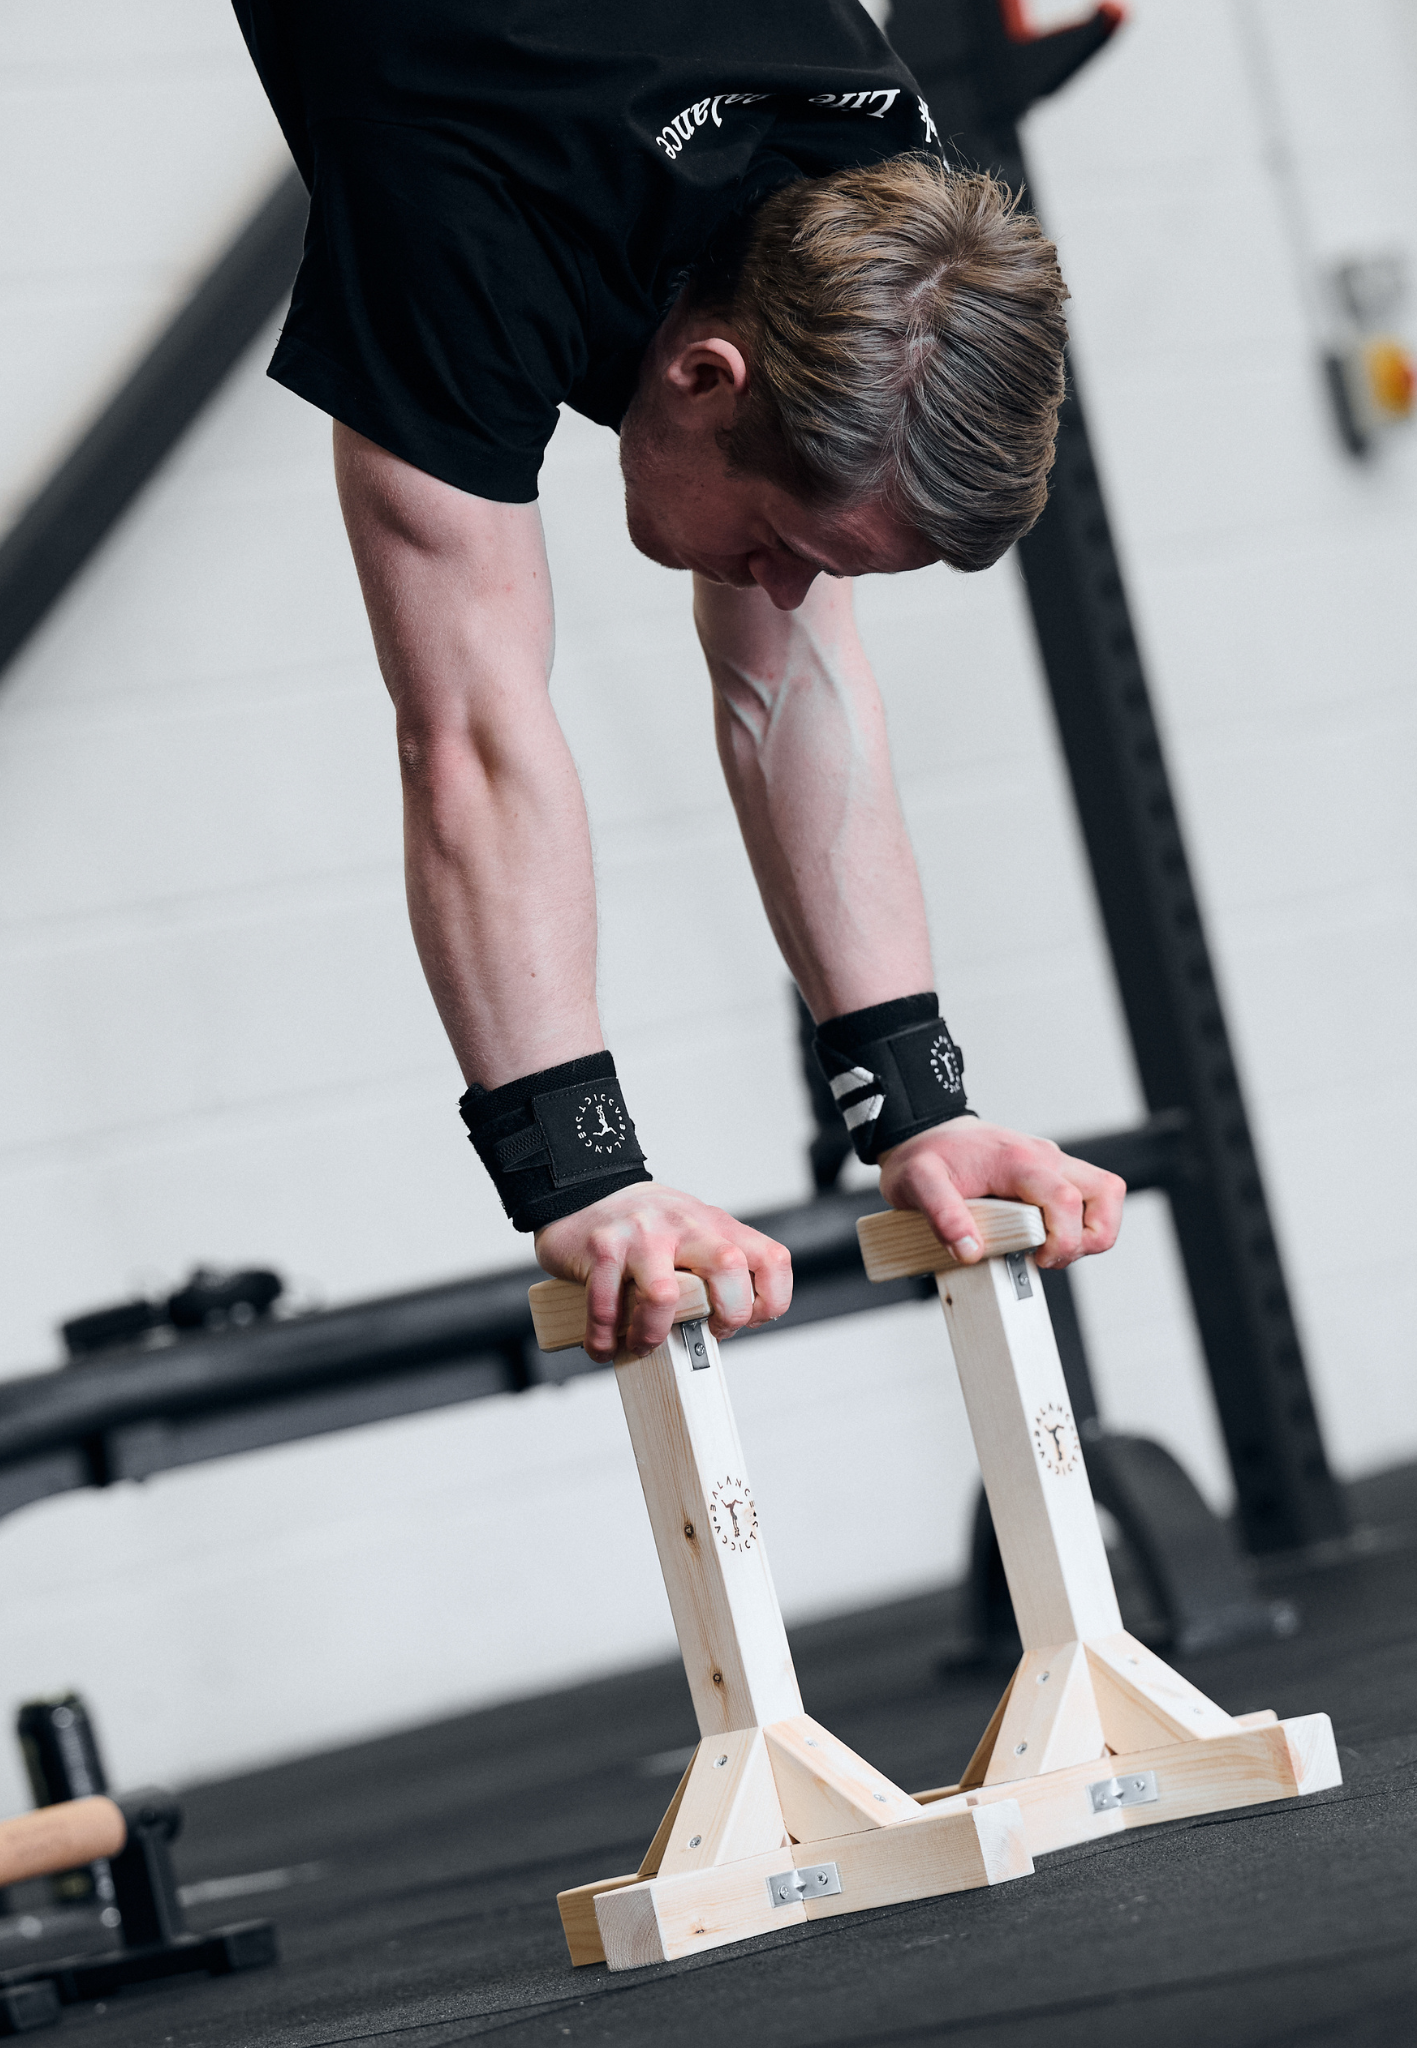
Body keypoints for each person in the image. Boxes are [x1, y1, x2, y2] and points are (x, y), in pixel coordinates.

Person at [233, 0, 1125, 1362]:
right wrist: (584, 1179)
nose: (778, 587)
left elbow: (793, 674)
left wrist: (918, 1103)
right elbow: (473, 732)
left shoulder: (876, 189)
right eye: (781, 546)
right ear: (708, 374)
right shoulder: (462, 210)